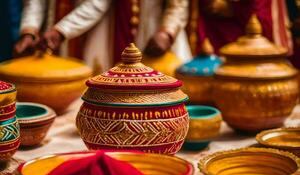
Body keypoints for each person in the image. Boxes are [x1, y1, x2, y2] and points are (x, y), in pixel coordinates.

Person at [15, 0, 192, 72]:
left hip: (153, 31)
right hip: (109, 30)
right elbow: (34, 3)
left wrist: (167, 32)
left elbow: (178, 4)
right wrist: (29, 31)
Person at [187, 0, 292, 55]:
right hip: (213, 39)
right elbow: (209, 7)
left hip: (250, 47)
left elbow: (262, 16)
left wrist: (235, 9)